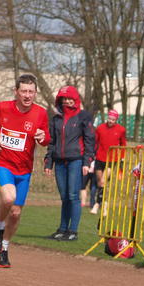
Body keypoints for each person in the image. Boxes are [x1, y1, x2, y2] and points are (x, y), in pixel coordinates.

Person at [0, 73, 50, 268]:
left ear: (35, 93)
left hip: (24, 169)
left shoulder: (40, 113)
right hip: (2, 162)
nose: (27, 95)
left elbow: (46, 139)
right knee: (9, 197)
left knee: (16, 213)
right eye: (24, 91)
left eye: (31, 92)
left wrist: (43, 137)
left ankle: (3, 248)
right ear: (16, 92)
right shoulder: (2, 107)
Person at [44, 85, 95, 241]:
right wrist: (48, 162)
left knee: (73, 196)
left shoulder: (83, 116)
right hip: (59, 162)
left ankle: (73, 231)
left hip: (76, 161)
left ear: (76, 99)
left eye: (69, 98)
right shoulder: (56, 119)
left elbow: (89, 140)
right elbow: (52, 142)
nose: (67, 101)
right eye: (64, 98)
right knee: (64, 197)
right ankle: (62, 229)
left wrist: (87, 162)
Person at [91, 109, 127, 214]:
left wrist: (122, 157)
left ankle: (96, 205)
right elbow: (95, 143)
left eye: (113, 119)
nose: (111, 121)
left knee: (103, 181)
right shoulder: (100, 128)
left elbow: (123, 144)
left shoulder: (121, 130)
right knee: (100, 183)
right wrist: (92, 155)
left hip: (112, 159)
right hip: (99, 158)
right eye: (109, 119)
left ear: (116, 120)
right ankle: (105, 202)